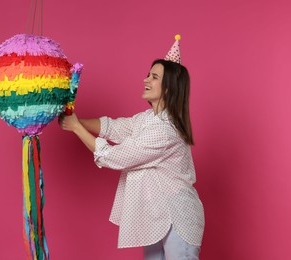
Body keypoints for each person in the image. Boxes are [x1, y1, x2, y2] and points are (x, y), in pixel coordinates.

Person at [59, 37, 204, 260]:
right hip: (155, 216)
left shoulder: (165, 130)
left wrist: (77, 128)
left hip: (177, 216)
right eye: (148, 74)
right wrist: (77, 120)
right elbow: (117, 127)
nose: (146, 79)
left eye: (154, 77)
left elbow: (115, 156)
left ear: (169, 88)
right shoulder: (148, 119)